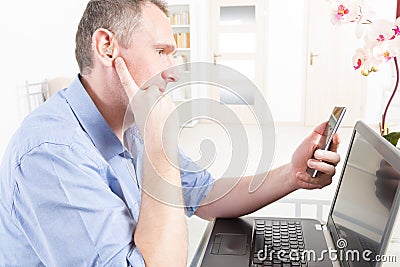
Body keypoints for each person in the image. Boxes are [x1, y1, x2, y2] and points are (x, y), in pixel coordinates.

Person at [0, 0, 340, 266]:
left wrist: (292, 176)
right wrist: (160, 148)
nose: (174, 72)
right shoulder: (51, 153)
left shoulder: (132, 124)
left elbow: (203, 195)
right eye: (161, 52)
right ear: (107, 48)